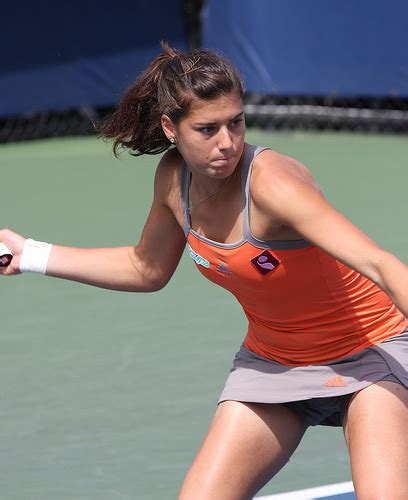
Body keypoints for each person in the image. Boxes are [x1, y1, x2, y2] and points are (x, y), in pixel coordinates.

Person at [1, 42, 407, 500]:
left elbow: (380, 264)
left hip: (369, 352)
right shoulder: (174, 180)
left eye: (236, 122)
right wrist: (31, 254)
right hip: (274, 363)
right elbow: (146, 267)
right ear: (170, 128)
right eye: (207, 129)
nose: (227, 142)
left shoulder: (273, 185)